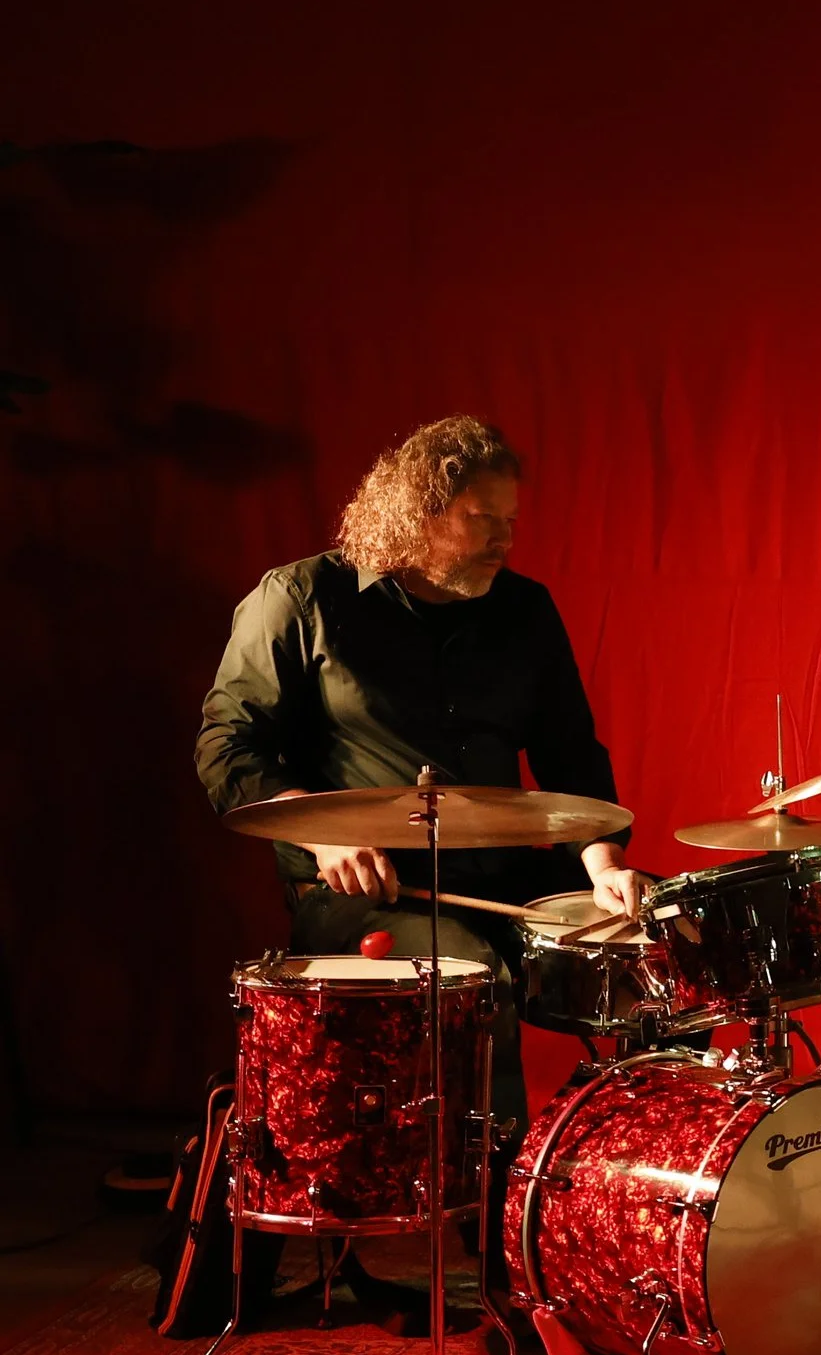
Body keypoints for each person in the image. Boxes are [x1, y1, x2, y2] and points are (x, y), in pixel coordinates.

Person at [197, 416, 647, 1120]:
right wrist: (325, 837)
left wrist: (603, 864)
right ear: (417, 512)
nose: (504, 539)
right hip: (368, 887)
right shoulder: (301, 598)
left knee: (667, 946)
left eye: (509, 520)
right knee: (473, 977)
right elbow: (227, 746)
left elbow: (570, 752)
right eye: (482, 518)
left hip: (499, 874)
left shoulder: (525, 610)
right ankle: (490, 1184)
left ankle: (625, 1168)